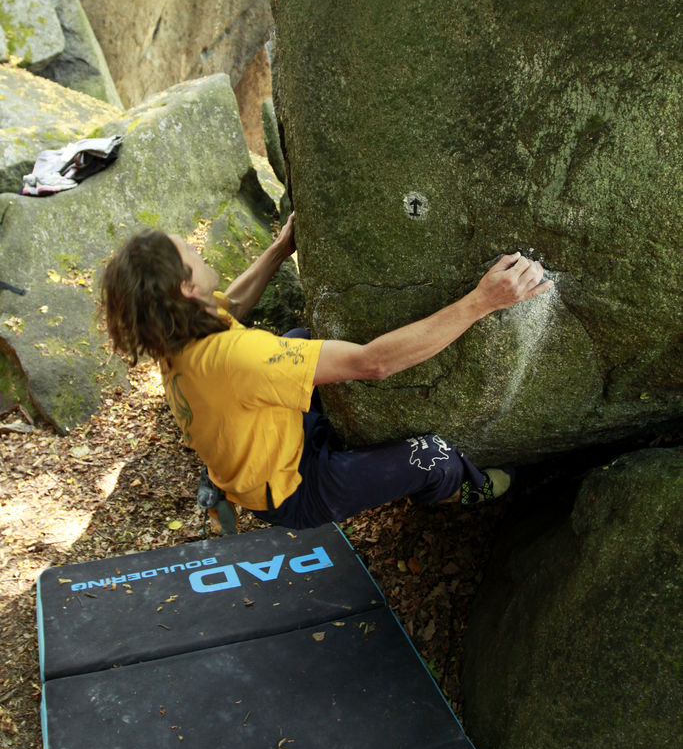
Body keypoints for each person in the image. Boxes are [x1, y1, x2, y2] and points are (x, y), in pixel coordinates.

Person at [100, 213, 553, 530]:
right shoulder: (238, 357)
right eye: (190, 252)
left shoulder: (172, 330)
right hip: (293, 489)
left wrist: (280, 249)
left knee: (295, 340)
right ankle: (460, 490)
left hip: (268, 438)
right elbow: (373, 363)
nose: (198, 249)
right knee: (431, 454)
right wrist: (483, 301)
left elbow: (233, 304)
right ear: (187, 286)